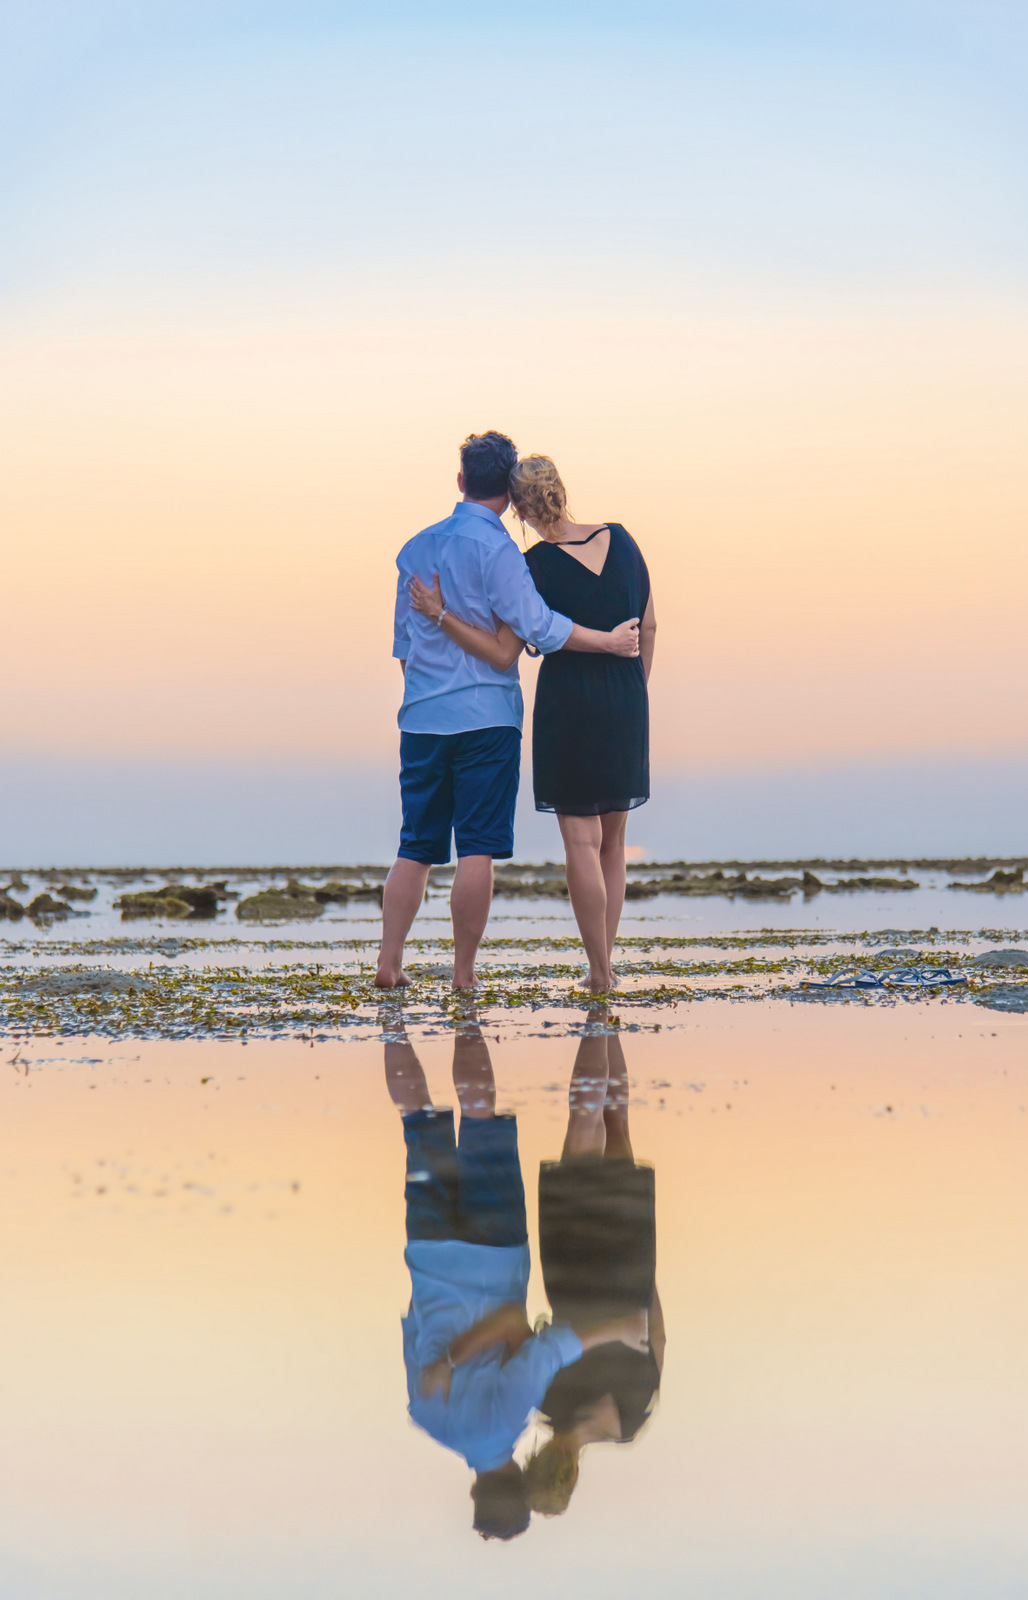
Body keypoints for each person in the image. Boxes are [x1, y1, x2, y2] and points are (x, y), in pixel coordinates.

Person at [376, 432, 640, 992]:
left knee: (414, 846)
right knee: (476, 848)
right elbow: (538, 627)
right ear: (509, 493)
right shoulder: (500, 552)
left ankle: (389, 962)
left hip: (422, 716)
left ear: (460, 481)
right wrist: (612, 645)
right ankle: (464, 976)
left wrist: (426, 694)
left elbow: (403, 645)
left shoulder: (415, 548)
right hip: (487, 717)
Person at [383, 1011, 650, 1540]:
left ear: (519, 1485)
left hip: (494, 1250)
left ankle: (468, 999)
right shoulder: (424, 1414)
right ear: (474, 1493)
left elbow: (531, 1338)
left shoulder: (507, 1421)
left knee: (480, 1115)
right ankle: (398, 1013)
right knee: (416, 1118)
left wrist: (618, 1330)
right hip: (429, 1248)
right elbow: (413, 1323)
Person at [522, 1019, 666, 1520]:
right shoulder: (544, 1403)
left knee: (616, 1123)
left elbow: (659, 1341)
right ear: (533, 1460)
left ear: (575, 1477)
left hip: (628, 1268)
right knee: (587, 1124)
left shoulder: (627, 1423)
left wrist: (648, 1275)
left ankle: (606, 1015)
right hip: (573, 1267)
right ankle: (599, 1013)